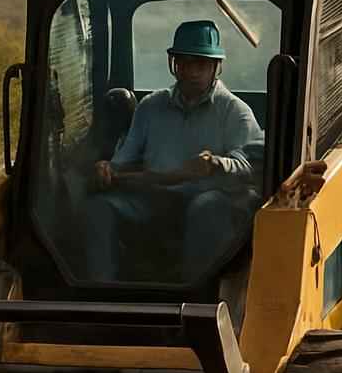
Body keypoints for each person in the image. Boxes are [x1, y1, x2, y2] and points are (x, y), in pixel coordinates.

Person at [86, 18, 264, 284]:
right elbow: (123, 160)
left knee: (206, 208)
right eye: (184, 62)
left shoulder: (235, 112)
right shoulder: (150, 107)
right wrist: (108, 168)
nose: (191, 72)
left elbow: (250, 165)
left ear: (216, 67)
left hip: (205, 201)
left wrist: (217, 164)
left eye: (200, 64)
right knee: (100, 208)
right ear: (173, 64)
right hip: (150, 199)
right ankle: (99, 298)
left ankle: (196, 298)